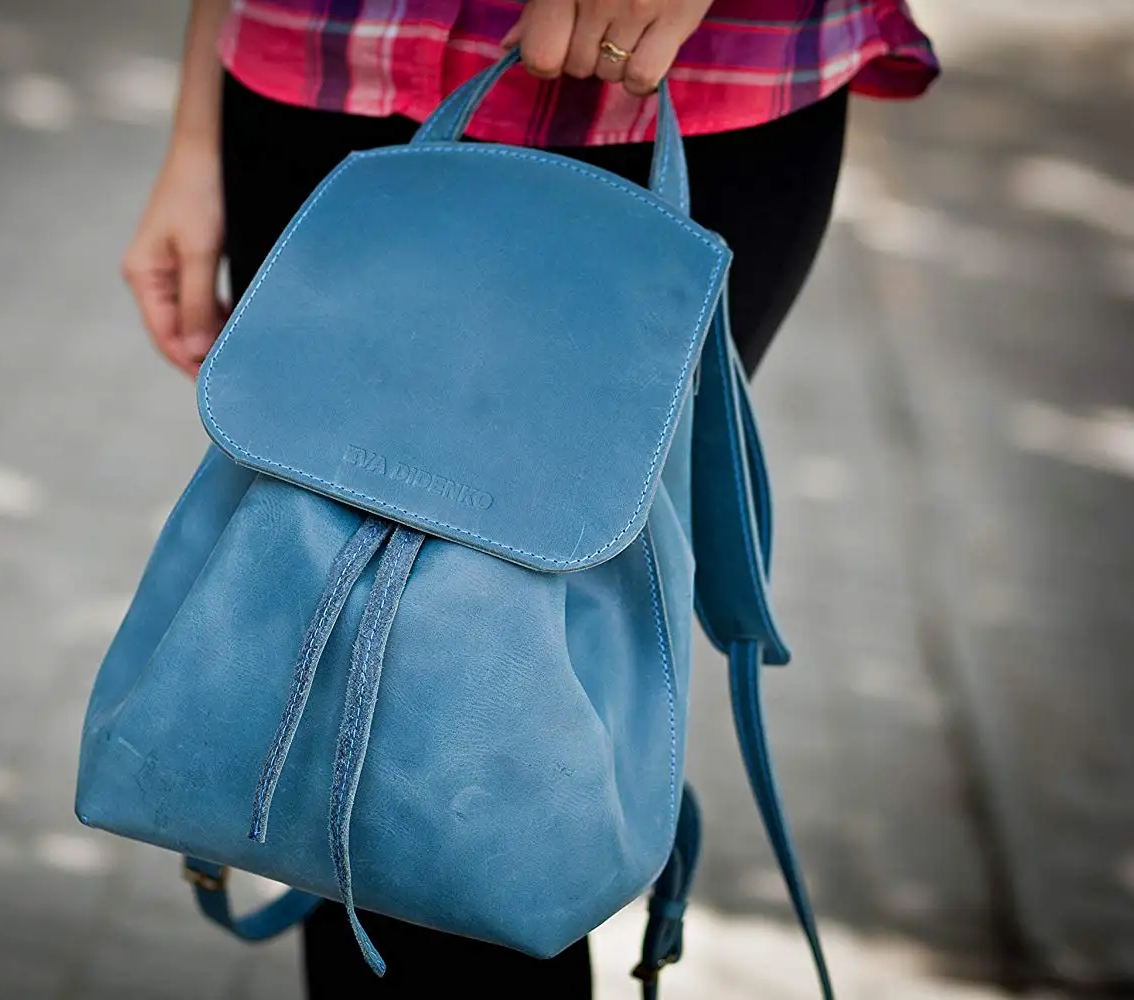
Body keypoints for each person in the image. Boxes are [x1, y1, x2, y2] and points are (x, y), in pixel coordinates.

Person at [123, 0, 937, 994]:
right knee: (322, 749)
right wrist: (197, 133)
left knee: (480, 800)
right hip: (325, 73)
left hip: (709, 87)